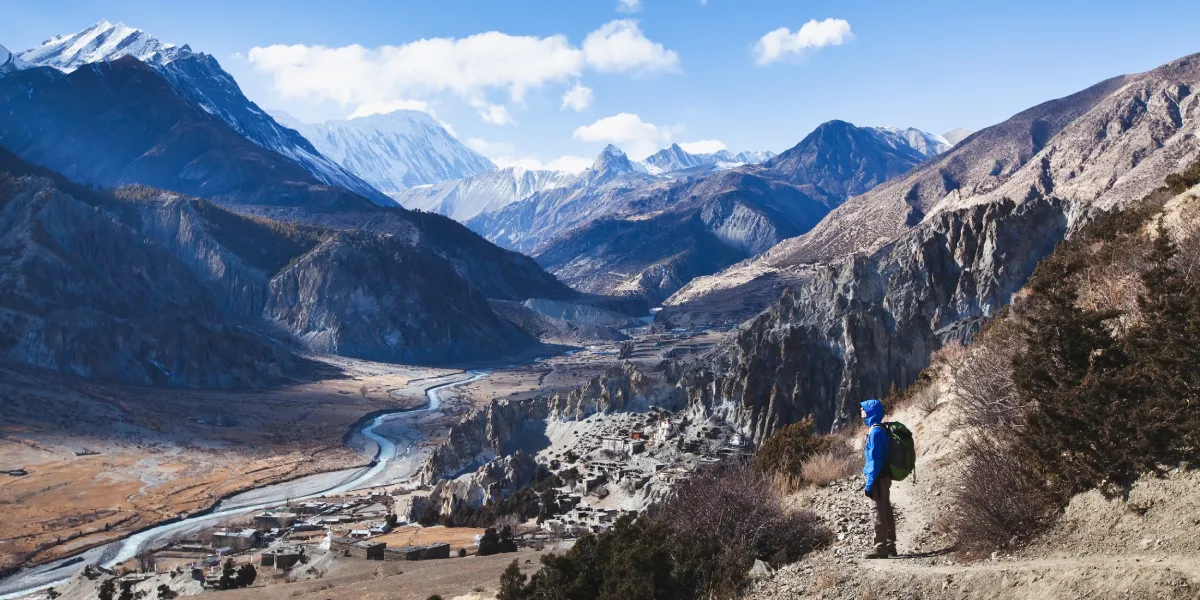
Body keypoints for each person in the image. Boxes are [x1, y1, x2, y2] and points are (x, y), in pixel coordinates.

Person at [861, 399, 897, 559]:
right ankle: (890, 546)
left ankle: (881, 547)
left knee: (876, 511)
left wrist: (869, 484)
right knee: (886, 509)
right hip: (884, 476)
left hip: (877, 477)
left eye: (863, 409)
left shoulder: (875, 432)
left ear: (871, 412)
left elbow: (874, 461)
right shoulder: (880, 429)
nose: (861, 411)